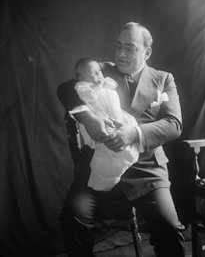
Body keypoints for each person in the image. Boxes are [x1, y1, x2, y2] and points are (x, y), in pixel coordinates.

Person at [57, 22, 185, 257]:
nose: (121, 54)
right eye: (118, 47)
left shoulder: (163, 79)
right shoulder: (102, 71)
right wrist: (88, 118)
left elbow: (174, 124)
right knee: (72, 218)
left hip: (147, 170)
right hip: (100, 167)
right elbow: (65, 89)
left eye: (130, 48)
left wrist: (134, 134)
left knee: (169, 228)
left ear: (147, 52)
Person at [73, 57, 142, 191]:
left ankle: (125, 156)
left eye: (99, 71)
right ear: (81, 77)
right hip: (102, 117)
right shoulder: (82, 86)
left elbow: (114, 85)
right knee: (111, 147)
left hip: (118, 114)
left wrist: (105, 83)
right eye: (94, 73)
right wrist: (99, 85)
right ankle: (106, 178)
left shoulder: (106, 79)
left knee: (131, 125)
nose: (99, 74)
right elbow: (88, 96)